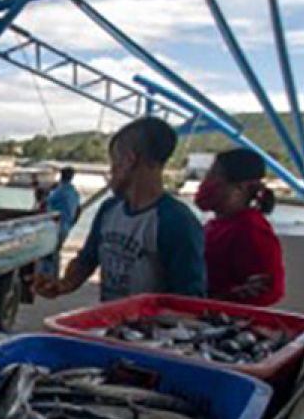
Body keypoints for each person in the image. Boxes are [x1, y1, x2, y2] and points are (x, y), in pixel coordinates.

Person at [33, 116, 205, 302]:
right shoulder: (109, 209)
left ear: (129, 160)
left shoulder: (177, 222)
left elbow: (190, 297)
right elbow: (87, 259)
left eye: (114, 162)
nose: (112, 170)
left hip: (151, 328)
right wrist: (63, 284)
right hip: (110, 323)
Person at [195, 148, 285, 306]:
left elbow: (266, 291)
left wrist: (214, 303)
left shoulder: (251, 229)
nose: (206, 183)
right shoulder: (214, 226)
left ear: (241, 187)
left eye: (215, 175)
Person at [41, 166, 81, 276]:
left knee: (49, 253)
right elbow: (78, 210)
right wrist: (71, 223)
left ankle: (48, 276)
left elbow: (45, 203)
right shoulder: (74, 192)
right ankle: (54, 275)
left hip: (55, 226)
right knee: (56, 251)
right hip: (66, 226)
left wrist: (46, 192)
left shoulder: (59, 191)